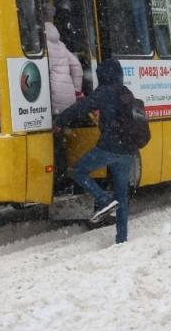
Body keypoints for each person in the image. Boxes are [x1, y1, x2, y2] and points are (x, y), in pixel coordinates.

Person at [54, 59, 136, 244]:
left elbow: (80, 108)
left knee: (78, 171)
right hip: (128, 150)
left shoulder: (104, 92)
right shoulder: (126, 92)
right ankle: (121, 239)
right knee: (121, 195)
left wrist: (59, 122)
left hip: (110, 146)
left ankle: (103, 199)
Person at [44, 3, 83, 115]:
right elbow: (77, 67)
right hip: (69, 99)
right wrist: (76, 91)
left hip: (53, 99)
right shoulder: (61, 45)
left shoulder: (41, 48)